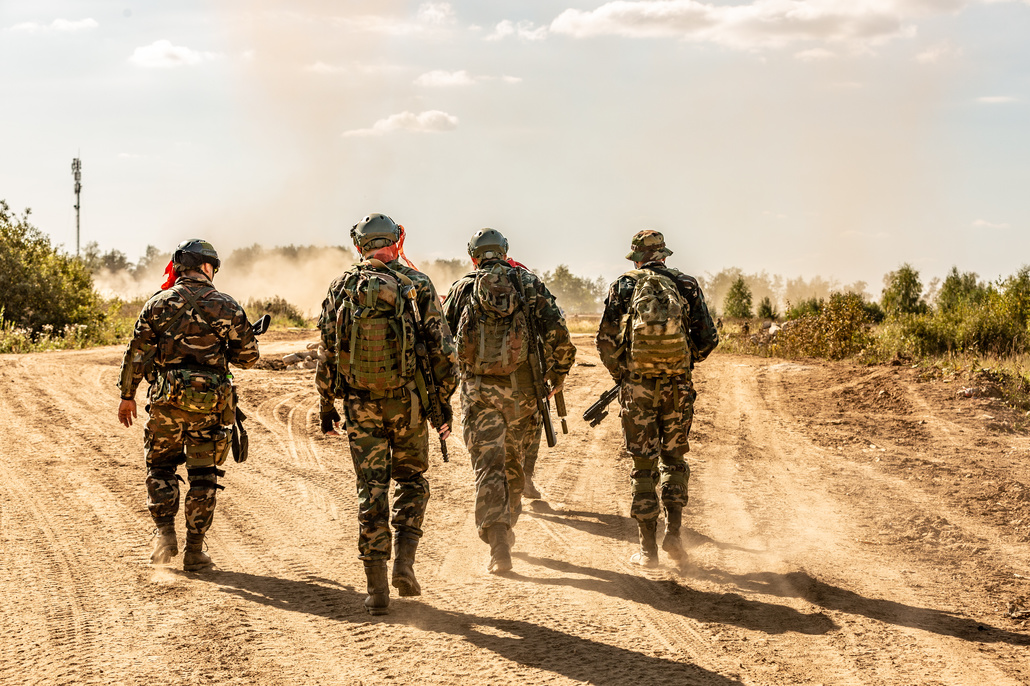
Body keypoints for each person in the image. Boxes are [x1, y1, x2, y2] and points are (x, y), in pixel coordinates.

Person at [316, 213, 457, 616]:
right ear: (396, 240)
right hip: (408, 403)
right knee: (412, 481)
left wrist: (327, 402)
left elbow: (327, 349)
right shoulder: (418, 284)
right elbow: (444, 353)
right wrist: (440, 404)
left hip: (359, 405)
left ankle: (376, 589)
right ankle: (405, 563)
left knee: (370, 489)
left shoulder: (342, 285)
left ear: (358, 245)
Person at [117, 239, 260, 571]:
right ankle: (195, 551)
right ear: (207, 267)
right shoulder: (227, 306)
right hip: (209, 408)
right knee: (204, 475)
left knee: (161, 469)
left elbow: (136, 353)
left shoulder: (157, 304)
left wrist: (127, 396)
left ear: (181, 267)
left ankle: (165, 537)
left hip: (165, 405)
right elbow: (249, 357)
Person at [442, 229, 576, 573]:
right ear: (504, 252)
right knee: (515, 465)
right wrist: (555, 378)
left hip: (479, 395)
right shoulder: (528, 284)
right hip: (523, 394)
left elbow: (442, 342)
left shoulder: (462, 289)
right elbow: (559, 335)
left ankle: (498, 543)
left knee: (489, 466)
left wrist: (446, 388)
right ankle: (506, 527)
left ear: (473, 256)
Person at [595, 230, 718, 568]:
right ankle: (675, 534)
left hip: (637, 389)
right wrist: (682, 363)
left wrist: (623, 374)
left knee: (643, 465)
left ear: (635, 257)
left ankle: (648, 550)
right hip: (677, 388)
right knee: (674, 459)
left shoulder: (624, 285)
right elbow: (708, 339)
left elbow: (605, 341)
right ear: (664, 255)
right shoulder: (686, 285)